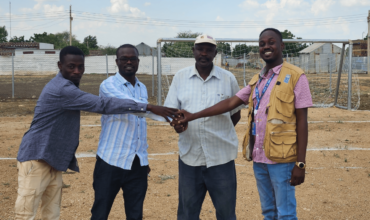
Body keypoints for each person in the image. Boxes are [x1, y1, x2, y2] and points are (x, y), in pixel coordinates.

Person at [15, 46, 177, 220]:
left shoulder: (140, 87)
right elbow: (103, 105)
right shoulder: (64, 89)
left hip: (52, 159)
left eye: (80, 67)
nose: (77, 71)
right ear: (60, 65)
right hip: (37, 157)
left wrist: (143, 156)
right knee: (25, 213)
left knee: (51, 213)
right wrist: (152, 107)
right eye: (71, 66)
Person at [177, 28, 313, 220]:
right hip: (259, 158)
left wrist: (300, 163)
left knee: (286, 214)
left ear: (281, 46)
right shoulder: (258, 79)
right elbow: (230, 103)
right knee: (268, 212)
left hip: (282, 159)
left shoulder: (297, 76)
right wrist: (192, 116)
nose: (266, 47)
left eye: (271, 42)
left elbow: (302, 121)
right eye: (262, 44)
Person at [164, 34, 242, 220]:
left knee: (226, 214)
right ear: (193, 51)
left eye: (209, 49)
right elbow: (173, 113)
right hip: (190, 158)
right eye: (200, 49)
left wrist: (219, 132)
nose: (204, 53)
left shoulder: (228, 78)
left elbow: (236, 114)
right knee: (187, 214)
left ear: (215, 53)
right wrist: (177, 126)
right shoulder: (180, 77)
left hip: (221, 158)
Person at [91, 44, 169, 219]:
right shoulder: (108, 85)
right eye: (124, 59)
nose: (128, 62)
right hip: (110, 160)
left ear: (138, 61)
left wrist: (171, 119)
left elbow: (141, 119)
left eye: (132, 58)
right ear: (117, 61)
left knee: (135, 214)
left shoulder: (142, 87)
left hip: (137, 163)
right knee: (100, 212)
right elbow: (127, 104)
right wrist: (155, 109)